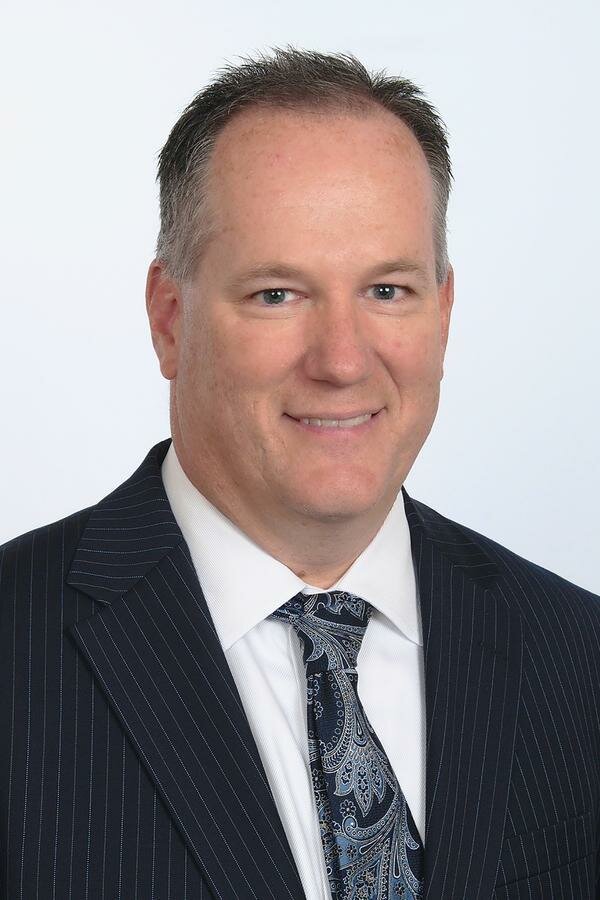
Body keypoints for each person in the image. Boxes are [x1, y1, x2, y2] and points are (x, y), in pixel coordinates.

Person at [1, 46, 598, 900]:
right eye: (277, 294)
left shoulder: (578, 657)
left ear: (444, 311)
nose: (342, 361)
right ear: (169, 319)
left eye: (388, 291)